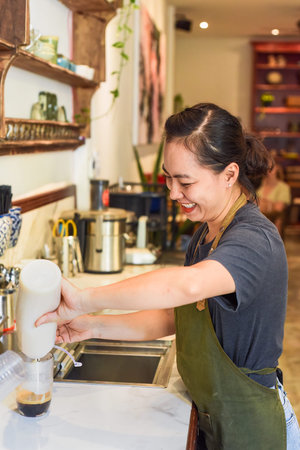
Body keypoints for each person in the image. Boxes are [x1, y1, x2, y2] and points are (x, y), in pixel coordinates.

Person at [37, 103, 300, 450]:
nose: (174, 193)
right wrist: (93, 325)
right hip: (217, 417)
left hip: (253, 427)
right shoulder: (206, 235)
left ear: (230, 174)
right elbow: (172, 314)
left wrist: (83, 298)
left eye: (185, 182)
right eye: (168, 178)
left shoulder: (254, 239)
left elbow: (183, 286)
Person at [257, 162, 291, 237]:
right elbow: (253, 204)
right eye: (266, 168)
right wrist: (269, 204)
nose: (268, 171)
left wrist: (263, 203)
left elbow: (278, 208)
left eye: (271, 168)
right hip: (257, 219)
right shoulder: (259, 186)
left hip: (273, 222)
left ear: (277, 169)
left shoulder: (283, 187)